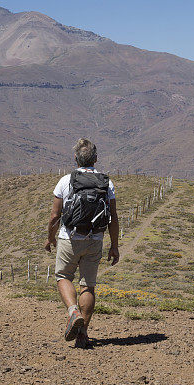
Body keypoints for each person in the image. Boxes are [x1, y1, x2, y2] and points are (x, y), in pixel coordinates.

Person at [46, 138, 119, 348]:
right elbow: (113, 216)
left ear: (75, 159)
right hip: (95, 239)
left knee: (63, 276)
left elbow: (54, 215)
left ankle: (72, 311)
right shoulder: (107, 183)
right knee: (88, 285)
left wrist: (50, 238)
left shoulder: (65, 181)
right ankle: (82, 334)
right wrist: (114, 246)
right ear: (95, 159)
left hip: (69, 238)